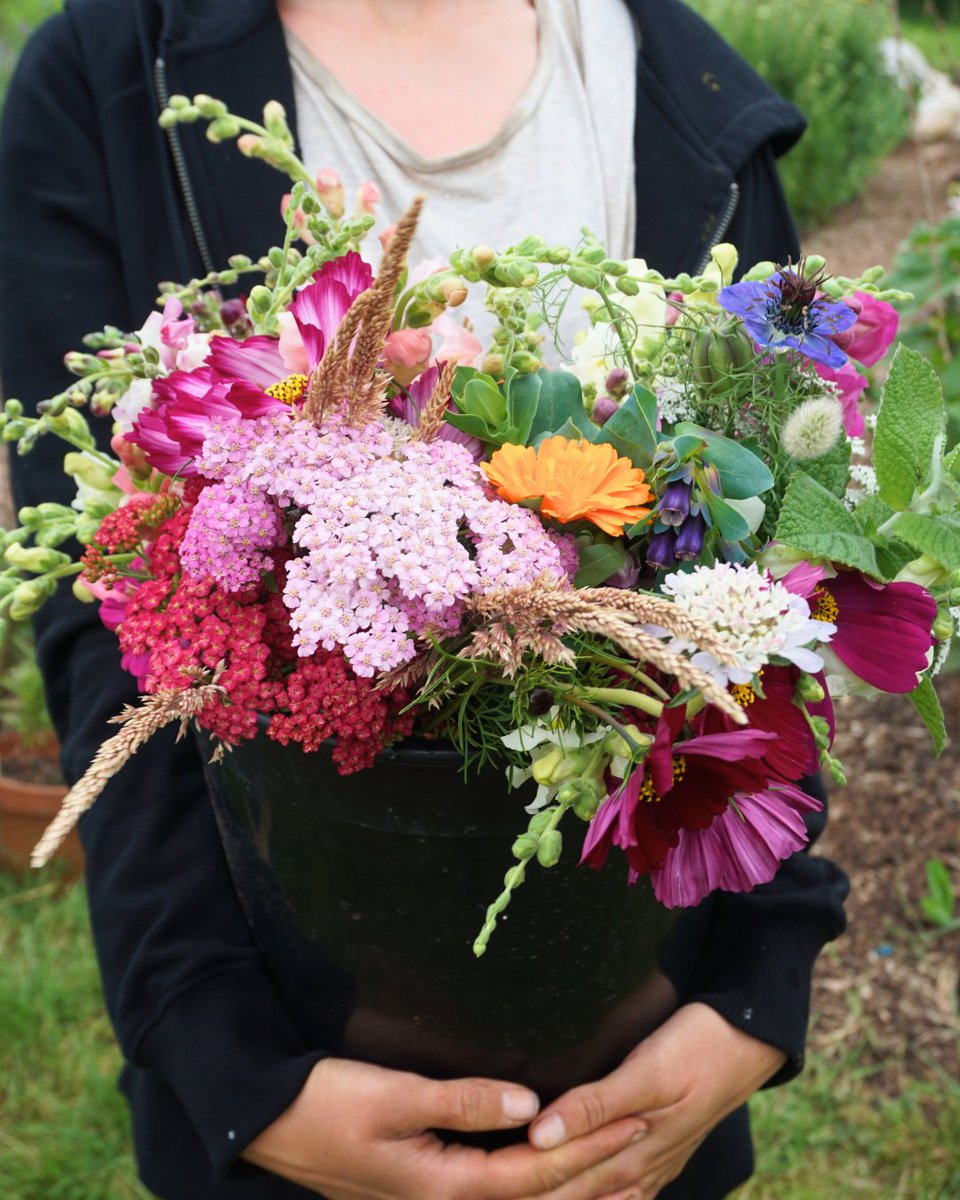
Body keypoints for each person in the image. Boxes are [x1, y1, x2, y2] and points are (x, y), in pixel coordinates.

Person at [0, 1, 849, 1197]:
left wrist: (757, 992)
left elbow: (788, 587)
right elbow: (115, 627)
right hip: (303, 1089)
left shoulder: (684, 87)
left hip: (648, 1072)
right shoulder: (106, 81)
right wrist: (227, 1057)